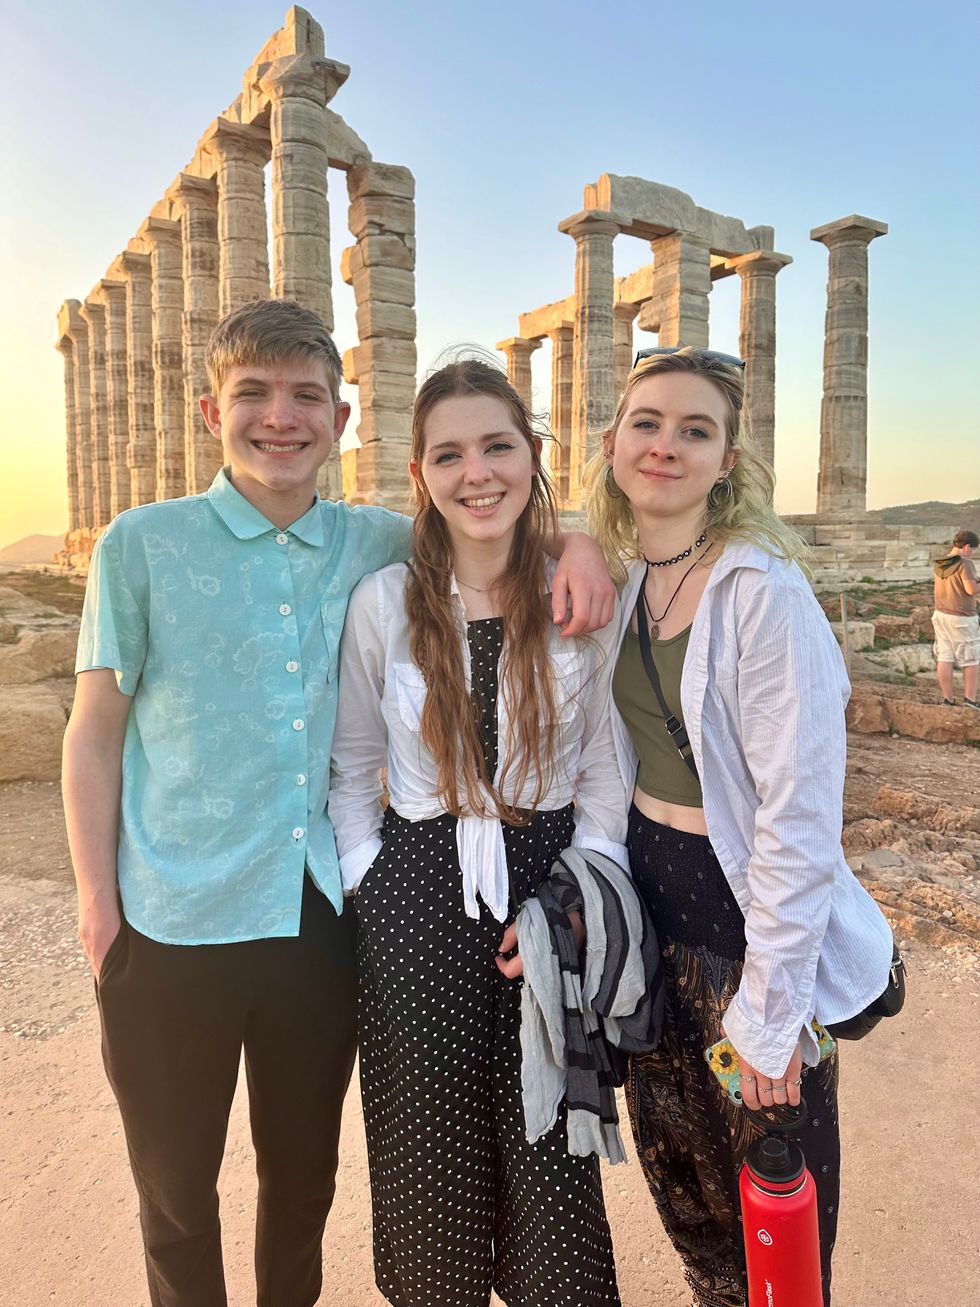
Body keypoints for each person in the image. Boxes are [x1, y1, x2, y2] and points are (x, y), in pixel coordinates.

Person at [61, 300, 613, 1307]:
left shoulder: (377, 542)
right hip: (168, 918)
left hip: (314, 918)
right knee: (176, 1193)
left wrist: (578, 540)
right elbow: (93, 730)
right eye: (254, 395)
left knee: (301, 1182)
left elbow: (487, 505)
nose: (281, 417)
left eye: (305, 395)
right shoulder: (139, 543)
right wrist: (96, 897)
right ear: (207, 411)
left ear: (342, 415)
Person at [585, 345, 895, 1307]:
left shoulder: (763, 592)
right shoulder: (629, 581)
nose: (666, 445)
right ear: (612, 443)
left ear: (728, 462)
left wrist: (769, 1020)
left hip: (743, 917)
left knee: (775, 1205)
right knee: (689, 1189)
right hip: (654, 907)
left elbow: (800, 824)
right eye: (647, 423)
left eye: (695, 430)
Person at [329, 357, 628, 1307]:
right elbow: (351, 765)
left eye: (498, 445)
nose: (477, 472)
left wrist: (577, 897)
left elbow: (605, 775)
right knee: (428, 1153)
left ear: (532, 456)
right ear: (420, 474)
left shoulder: (575, 598)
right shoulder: (383, 603)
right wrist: (373, 884)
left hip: (548, 881)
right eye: (449, 453)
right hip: (418, 886)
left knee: (550, 1152)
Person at [932, 528, 979, 708]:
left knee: (945, 656)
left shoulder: (941, 562)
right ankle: (970, 700)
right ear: (967, 547)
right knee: (971, 659)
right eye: (973, 549)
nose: (973, 553)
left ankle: (948, 699)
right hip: (962, 617)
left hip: (941, 614)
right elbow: (970, 590)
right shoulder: (965, 563)